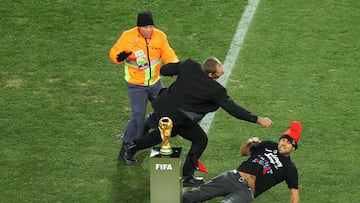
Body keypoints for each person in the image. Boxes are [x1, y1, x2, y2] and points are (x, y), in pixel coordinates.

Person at [121, 57, 273, 187]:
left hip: (163, 107)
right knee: (200, 140)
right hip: (179, 118)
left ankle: (132, 146)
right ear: (211, 74)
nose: (222, 73)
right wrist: (258, 119)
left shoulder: (189, 65)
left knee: (165, 132)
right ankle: (187, 175)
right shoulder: (215, 90)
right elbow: (233, 109)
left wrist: (175, 72)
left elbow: (165, 70)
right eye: (219, 73)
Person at [109, 11, 179, 164]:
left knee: (167, 110)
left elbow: (167, 52)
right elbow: (114, 53)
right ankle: (126, 147)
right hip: (136, 85)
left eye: (151, 26)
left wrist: (174, 66)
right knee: (137, 117)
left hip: (155, 83)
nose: (149, 30)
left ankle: (145, 131)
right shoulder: (128, 37)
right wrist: (118, 57)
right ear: (139, 27)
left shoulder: (159, 36)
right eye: (145, 27)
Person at [182, 121, 302, 203]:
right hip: (231, 177)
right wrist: (248, 142)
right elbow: (243, 153)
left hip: (245, 191)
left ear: (294, 148)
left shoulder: (289, 168)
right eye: (283, 140)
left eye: (288, 142)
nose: (284, 144)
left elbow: (294, 195)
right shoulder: (268, 145)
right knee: (192, 196)